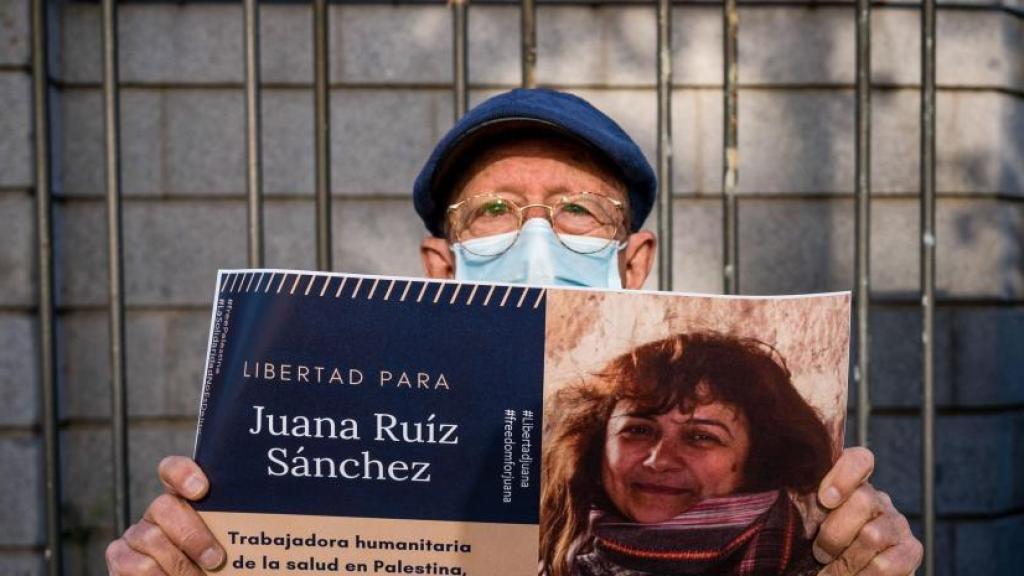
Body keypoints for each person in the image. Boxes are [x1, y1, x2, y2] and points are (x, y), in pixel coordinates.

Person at [106, 88, 922, 576]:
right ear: (441, 264)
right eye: (494, 211)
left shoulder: (775, 528)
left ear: (634, 263)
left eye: (575, 208)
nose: (536, 238)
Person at [541, 332, 837, 576]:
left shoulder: (827, 565)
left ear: (756, 461)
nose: (659, 460)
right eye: (639, 430)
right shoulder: (550, 560)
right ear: (600, 444)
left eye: (700, 437)